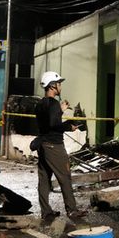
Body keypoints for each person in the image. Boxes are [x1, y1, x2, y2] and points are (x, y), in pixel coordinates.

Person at [34, 71, 87, 222]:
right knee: (65, 176)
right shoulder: (53, 104)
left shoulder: (40, 104)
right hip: (54, 146)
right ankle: (72, 210)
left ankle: (46, 212)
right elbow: (53, 124)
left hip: (43, 144)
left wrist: (60, 111)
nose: (61, 86)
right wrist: (69, 126)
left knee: (44, 179)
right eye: (59, 83)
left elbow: (47, 121)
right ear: (53, 86)